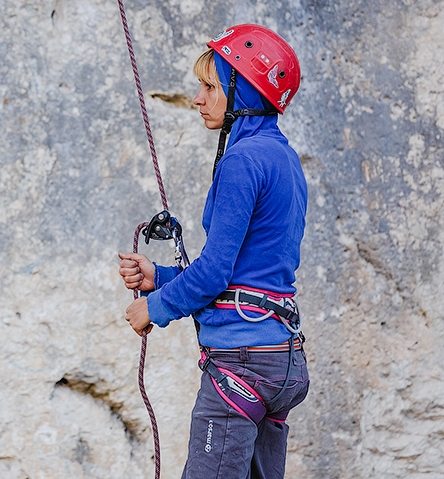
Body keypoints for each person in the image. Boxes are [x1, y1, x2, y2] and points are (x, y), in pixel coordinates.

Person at [118, 24, 309, 479]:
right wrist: (160, 276)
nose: (199, 98)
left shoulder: (242, 162)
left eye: (210, 86)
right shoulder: (283, 158)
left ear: (242, 89)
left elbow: (214, 274)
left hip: (242, 366)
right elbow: (251, 269)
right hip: (280, 361)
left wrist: (154, 306)